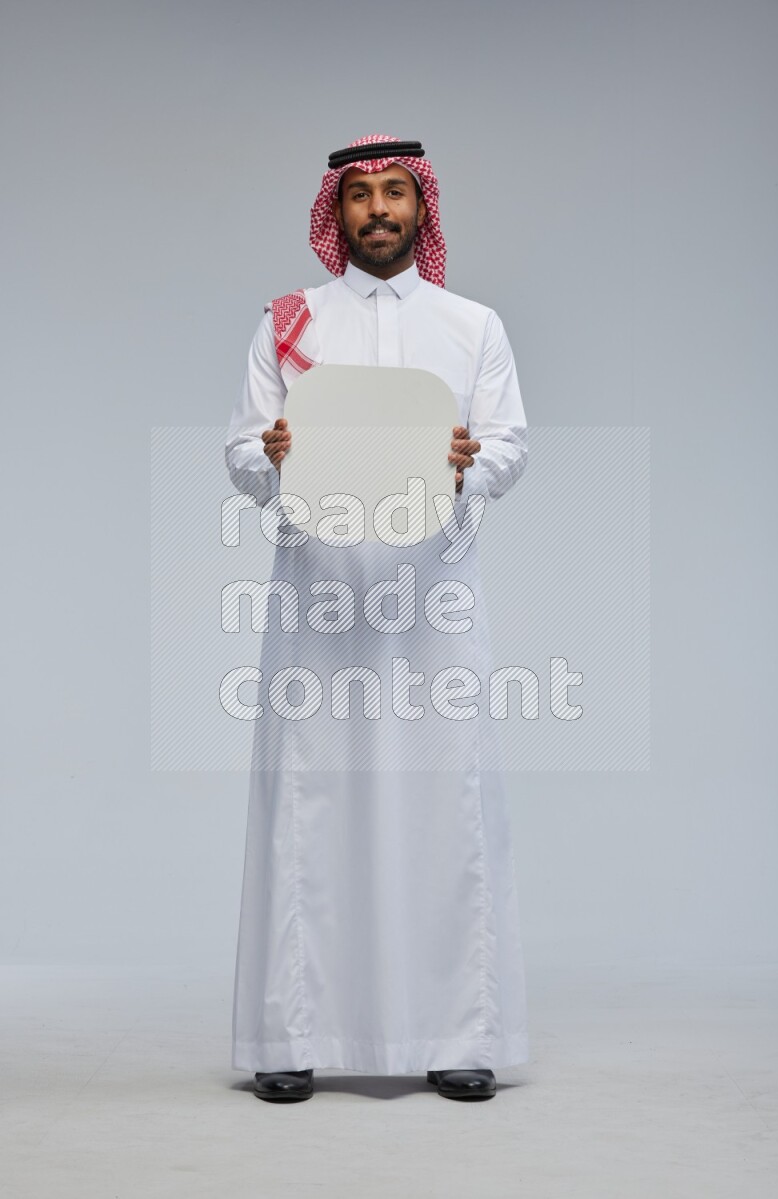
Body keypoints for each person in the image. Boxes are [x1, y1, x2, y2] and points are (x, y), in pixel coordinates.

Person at [224, 134, 529, 1103]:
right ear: (337, 213)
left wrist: (461, 462)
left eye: (395, 192)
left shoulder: (471, 323)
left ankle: (455, 1034)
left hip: (430, 597)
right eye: (358, 196)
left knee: (443, 800)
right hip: (317, 597)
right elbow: (239, 450)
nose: (377, 210)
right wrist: (268, 449)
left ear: (421, 210)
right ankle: (292, 1033)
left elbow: (508, 446)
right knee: (312, 803)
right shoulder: (287, 323)